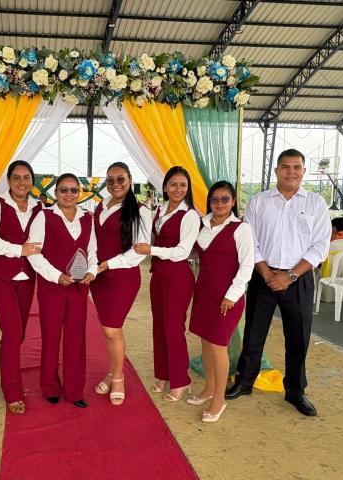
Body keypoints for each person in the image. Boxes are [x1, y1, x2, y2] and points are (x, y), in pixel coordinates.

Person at [225, 149, 331, 417]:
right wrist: (267, 273)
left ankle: (295, 390)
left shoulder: (316, 204)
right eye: (285, 167)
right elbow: (250, 242)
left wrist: (290, 275)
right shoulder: (259, 202)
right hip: (264, 277)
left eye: (297, 167)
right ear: (276, 171)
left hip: (299, 279)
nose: (291, 172)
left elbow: (320, 246)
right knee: (253, 333)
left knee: (298, 337)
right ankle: (244, 381)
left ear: (303, 171)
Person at [0, 160, 43, 415]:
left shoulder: (39, 206)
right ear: (9, 181)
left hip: (27, 276)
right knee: (13, 332)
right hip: (1, 277)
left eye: (26, 177)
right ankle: (12, 390)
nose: (21, 182)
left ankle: (11, 378)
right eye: (16, 177)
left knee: (20, 333)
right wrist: (17, 250)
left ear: (32, 180)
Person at [27, 173, 97, 408]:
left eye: (73, 190)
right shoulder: (44, 216)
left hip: (79, 288)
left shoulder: (87, 218)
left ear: (79, 193)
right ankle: (50, 386)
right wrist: (56, 276)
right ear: (55, 193)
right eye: (64, 190)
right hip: (51, 288)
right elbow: (34, 252)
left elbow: (93, 251)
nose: (69, 194)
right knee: (51, 336)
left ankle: (75, 391)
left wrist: (92, 271)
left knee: (76, 338)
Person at [187, 181, 254, 423]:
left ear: (233, 201)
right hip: (204, 293)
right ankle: (208, 387)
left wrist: (232, 295)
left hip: (227, 297)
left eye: (225, 199)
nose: (219, 204)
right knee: (206, 342)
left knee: (217, 346)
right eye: (215, 199)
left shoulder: (241, 229)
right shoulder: (202, 224)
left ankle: (219, 398)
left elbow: (247, 265)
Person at [135, 166, 198, 402]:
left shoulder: (189, 215)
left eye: (183, 185)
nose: (178, 189)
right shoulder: (160, 210)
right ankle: (163, 374)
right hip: (159, 275)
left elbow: (182, 251)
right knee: (159, 326)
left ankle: (181, 379)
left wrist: (152, 250)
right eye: (173, 184)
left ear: (188, 188)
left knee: (173, 327)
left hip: (178, 277)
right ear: (165, 187)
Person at [91, 162, 151, 406]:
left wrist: (109, 264)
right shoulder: (101, 205)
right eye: (110, 180)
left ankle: (118, 378)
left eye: (120, 179)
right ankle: (112, 371)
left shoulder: (140, 211)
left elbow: (139, 251)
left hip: (122, 277)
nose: (115, 184)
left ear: (129, 180)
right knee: (108, 329)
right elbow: (93, 239)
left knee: (112, 329)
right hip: (99, 278)